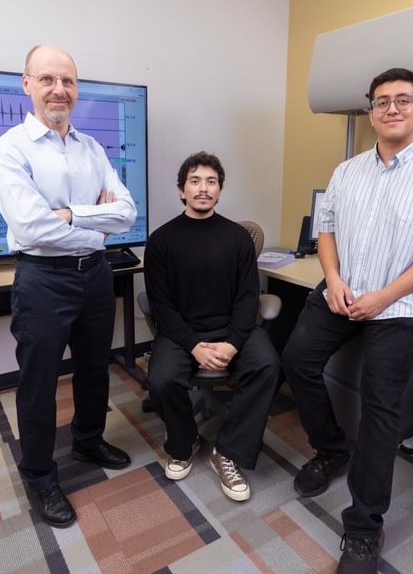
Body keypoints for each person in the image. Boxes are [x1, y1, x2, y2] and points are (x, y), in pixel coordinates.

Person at [281, 68, 413, 573]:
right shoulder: (347, 171)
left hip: (403, 306)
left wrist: (384, 297)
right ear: (370, 112)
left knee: (379, 403)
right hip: (345, 293)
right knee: (296, 360)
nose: (391, 108)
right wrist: (332, 279)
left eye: (402, 100)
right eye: (381, 101)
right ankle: (332, 450)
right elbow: (326, 231)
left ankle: (363, 528)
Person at [0, 45, 137, 528]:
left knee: (95, 368)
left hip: (95, 274)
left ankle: (88, 441)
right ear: (27, 84)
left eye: (68, 81)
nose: (59, 89)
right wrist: (97, 222)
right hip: (43, 279)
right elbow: (31, 227)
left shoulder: (92, 148)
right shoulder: (10, 148)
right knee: (39, 383)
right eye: (48, 79)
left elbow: (127, 214)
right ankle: (39, 475)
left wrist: (72, 215)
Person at [144, 151, 280, 502]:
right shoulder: (161, 241)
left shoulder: (237, 238)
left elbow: (248, 298)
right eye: (195, 181)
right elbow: (162, 305)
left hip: (233, 330)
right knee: (160, 380)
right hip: (182, 334)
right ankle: (185, 440)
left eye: (211, 182)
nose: (203, 188)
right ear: (181, 190)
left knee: (268, 365)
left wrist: (232, 343)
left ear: (220, 190)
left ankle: (228, 451)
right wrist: (193, 346)